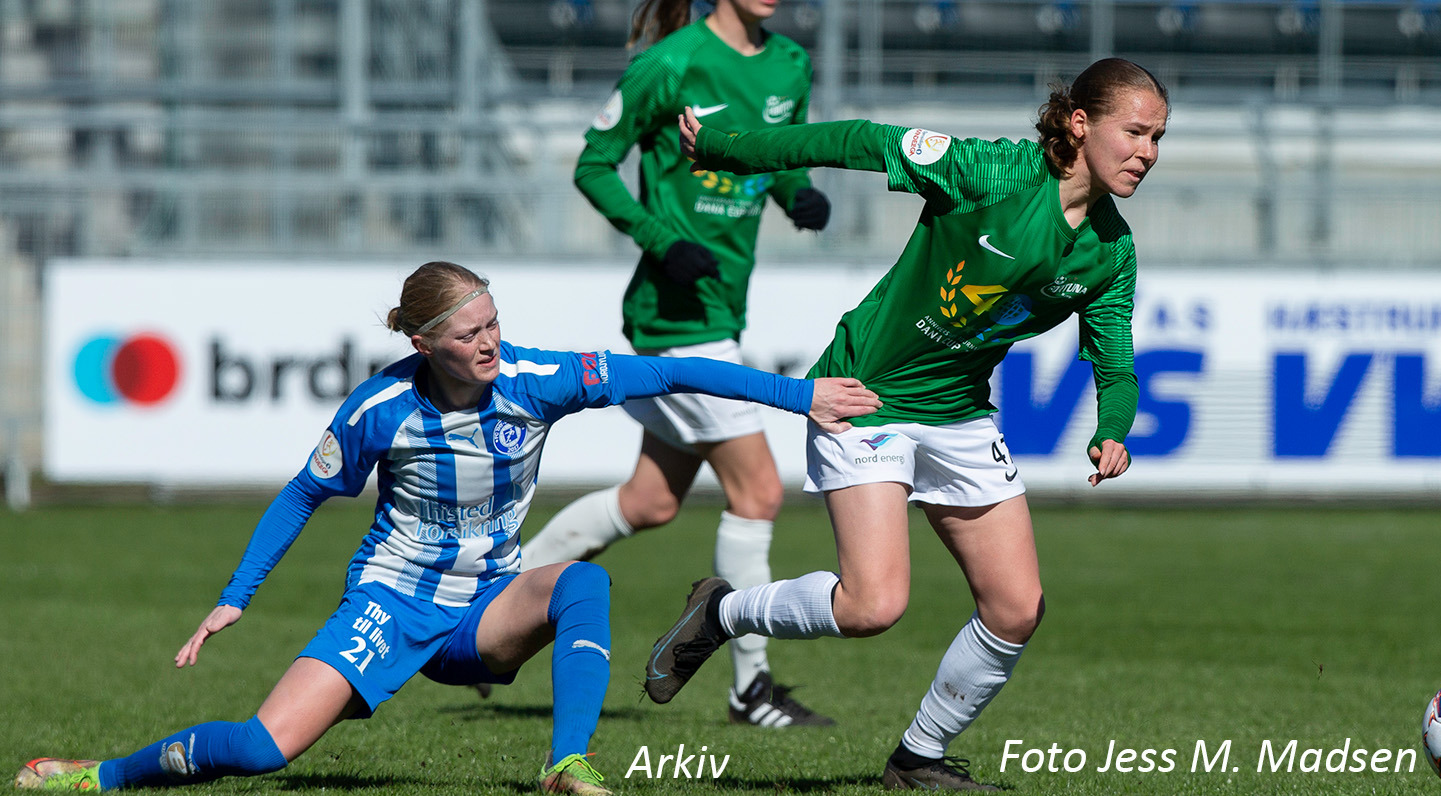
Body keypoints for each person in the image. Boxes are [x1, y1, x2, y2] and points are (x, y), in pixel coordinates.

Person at [14, 261, 879, 794]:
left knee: (584, 579)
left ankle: (565, 767)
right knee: (263, 749)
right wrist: (237, 596)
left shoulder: (537, 379)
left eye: (494, 321)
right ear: (427, 344)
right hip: (391, 605)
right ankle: (98, 775)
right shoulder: (380, 409)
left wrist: (800, 395)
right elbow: (303, 494)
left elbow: (671, 371)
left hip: (485, 611)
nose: (492, 341)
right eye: (471, 333)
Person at [642, 58, 1167, 790]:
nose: (1147, 152)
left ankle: (917, 758)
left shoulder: (1112, 251)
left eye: (1157, 138)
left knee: (1017, 608)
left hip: (959, 413)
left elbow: (1117, 363)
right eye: (1135, 132)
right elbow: (858, 140)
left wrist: (1114, 428)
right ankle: (723, 612)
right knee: (873, 605)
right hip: (867, 393)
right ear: (1080, 124)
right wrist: (728, 149)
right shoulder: (990, 171)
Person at [522, 0, 836, 728]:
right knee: (758, 490)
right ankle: (749, 688)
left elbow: (779, 157)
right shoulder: (669, 64)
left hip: (722, 304)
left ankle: (499, 599)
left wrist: (798, 194)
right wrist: (662, 239)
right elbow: (594, 165)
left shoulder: (789, 64)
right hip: (675, 315)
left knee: (650, 501)